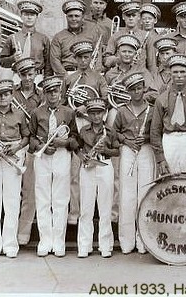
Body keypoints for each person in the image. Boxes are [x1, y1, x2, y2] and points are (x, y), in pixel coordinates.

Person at [29, 75, 79, 257]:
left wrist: (62, 143)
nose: (52, 95)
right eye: (49, 92)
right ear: (44, 93)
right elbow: (31, 137)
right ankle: (44, 241)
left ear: (60, 92)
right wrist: (41, 146)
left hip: (61, 156)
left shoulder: (68, 112)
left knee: (60, 199)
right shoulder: (37, 113)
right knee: (43, 198)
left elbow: (74, 138)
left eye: (55, 91)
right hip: (42, 157)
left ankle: (58, 241)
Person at [0, 79, 30, 259]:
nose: (3, 98)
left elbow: (26, 136)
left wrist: (16, 148)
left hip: (13, 157)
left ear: (11, 95)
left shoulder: (19, 115)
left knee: (11, 201)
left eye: (6, 94)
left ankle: (10, 244)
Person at [63, 40, 108, 225]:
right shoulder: (69, 79)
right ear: (74, 58)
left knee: (99, 170)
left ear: (91, 57)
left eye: (86, 57)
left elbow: (106, 100)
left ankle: (99, 212)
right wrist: (75, 110)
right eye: (79, 57)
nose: (83, 61)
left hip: (94, 124)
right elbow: (64, 104)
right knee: (76, 170)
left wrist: (87, 108)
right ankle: (75, 213)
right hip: (76, 124)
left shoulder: (99, 78)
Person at [113, 72, 155, 254]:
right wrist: (126, 141)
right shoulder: (122, 111)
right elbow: (114, 133)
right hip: (128, 151)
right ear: (128, 92)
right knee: (127, 195)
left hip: (145, 150)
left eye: (139, 88)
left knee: (145, 193)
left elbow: (156, 132)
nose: (137, 92)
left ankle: (143, 240)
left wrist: (145, 138)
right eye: (133, 89)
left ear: (144, 89)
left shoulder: (152, 110)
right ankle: (126, 240)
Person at [150, 54, 186, 178]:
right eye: (175, 72)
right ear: (170, 74)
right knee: (168, 182)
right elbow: (155, 131)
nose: (179, 75)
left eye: (182, 72)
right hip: (169, 141)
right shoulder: (161, 99)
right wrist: (160, 159)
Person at [76, 98, 119, 258]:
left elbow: (117, 152)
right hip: (88, 168)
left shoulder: (110, 131)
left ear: (104, 113)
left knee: (105, 207)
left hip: (105, 166)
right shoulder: (83, 131)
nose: (96, 117)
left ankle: (105, 245)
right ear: (88, 114)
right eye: (92, 113)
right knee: (86, 208)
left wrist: (106, 150)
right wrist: (82, 156)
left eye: (99, 113)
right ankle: (84, 245)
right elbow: (78, 148)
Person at [11, 58, 43, 246]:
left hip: (32, 145)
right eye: (24, 75)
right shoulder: (11, 94)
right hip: (15, 145)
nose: (28, 78)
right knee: (13, 193)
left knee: (29, 192)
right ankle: (9, 235)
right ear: (18, 75)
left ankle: (23, 234)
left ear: (36, 75)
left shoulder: (42, 95)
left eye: (31, 74)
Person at [0, 0, 51, 82]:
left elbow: (48, 64)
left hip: (37, 77)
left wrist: (46, 81)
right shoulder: (12, 37)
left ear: (37, 17)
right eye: (26, 14)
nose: (29, 17)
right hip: (18, 76)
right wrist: (13, 58)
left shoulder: (43, 39)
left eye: (32, 15)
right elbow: (2, 61)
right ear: (21, 16)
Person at [50, 0, 100, 76]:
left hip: (88, 74)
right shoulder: (58, 37)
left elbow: (98, 57)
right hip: (66, 74)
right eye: (70, 16)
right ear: (66, 17)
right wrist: (65, 76)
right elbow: (55, 60)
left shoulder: (91, 35)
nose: (73, 19)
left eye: (77, 16)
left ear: (82, 17)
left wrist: (94, 75)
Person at [103, 1, 147, 70]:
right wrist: (120, 60)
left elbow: (151, 64)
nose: (131, 18)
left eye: (134, 15)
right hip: (120, 74)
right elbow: (106, 61)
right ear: (123, 17)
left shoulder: (146, 36)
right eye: (128, 15)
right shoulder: (116, 36)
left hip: (140, 75)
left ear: (138, 17)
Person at [84, 0, 113, 73]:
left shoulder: (110, 23)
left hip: (103, 64)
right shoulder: (83, 21)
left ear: (105, 6)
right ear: (91, 4)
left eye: (101, 3)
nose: (98, 6)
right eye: (95, 3)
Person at [139, 3, 162, 72]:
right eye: (144, 19)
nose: (147, 21)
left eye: (150, 18)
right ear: (140, 21)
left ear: (155, 20)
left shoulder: (160, 39)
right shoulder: (136, 37)